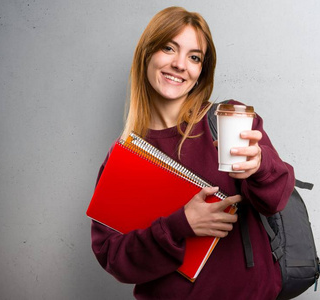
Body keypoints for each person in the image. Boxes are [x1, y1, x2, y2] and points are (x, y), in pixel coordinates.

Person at [91, 6, 295, 300]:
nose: (180, 64)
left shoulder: (227, 120)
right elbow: (113, 257)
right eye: (168, 48)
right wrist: (180, 226)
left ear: (201, 71)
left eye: (194, 57)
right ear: (146, 54)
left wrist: (261, 166)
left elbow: (275, 201)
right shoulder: (124, 154)